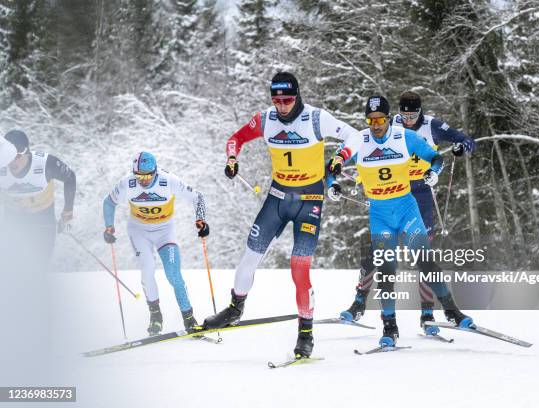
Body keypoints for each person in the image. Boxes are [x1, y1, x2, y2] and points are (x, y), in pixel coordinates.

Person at [202, 72, 360, 359]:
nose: (282, 105)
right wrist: (232, 159)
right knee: (249, 257)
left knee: (299, 269)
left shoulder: (315, 118)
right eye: (277, 100)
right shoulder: (266, 119)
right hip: (277, 198)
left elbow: (355, 135)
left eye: (287, 99)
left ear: (297, 95)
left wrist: (340, 157)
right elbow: (236, 139)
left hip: (310, 200)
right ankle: (235, 308)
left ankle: (306, 333)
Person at [328, 96, 474, 347]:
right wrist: (333, 183)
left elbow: (436, 158)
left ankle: (451, 310)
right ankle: (389, 326)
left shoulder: (403, 136)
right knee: (386, 269)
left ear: (387, 118)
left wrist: (432, 173)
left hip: (407, 209)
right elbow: (333, 164)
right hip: (380, 214)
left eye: (380, 119)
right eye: (371, 120)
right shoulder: (359, 140)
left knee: (426, 263)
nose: (375, 125)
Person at [103, 152, 208, 336]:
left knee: (173, 274)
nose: (142, 180)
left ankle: (189, 318)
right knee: (147, 269)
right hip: (139, 231)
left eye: (147, 176)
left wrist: (200, 220)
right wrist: (109, 227)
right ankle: (156, 316)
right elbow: (108, 202)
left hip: (165, 232)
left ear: (155, 171)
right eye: (139, 176)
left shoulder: (168, 180)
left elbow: (197, 197)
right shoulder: (128, 182)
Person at [0, 130, 76, 267]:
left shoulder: (46, 163)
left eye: (17, 156)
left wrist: (67, 212)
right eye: (7, 157)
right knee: (11, 267)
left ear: (27, 152)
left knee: (39, 265)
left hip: (42, 217)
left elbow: (70, 178)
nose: (12, 162)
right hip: (13, 217)